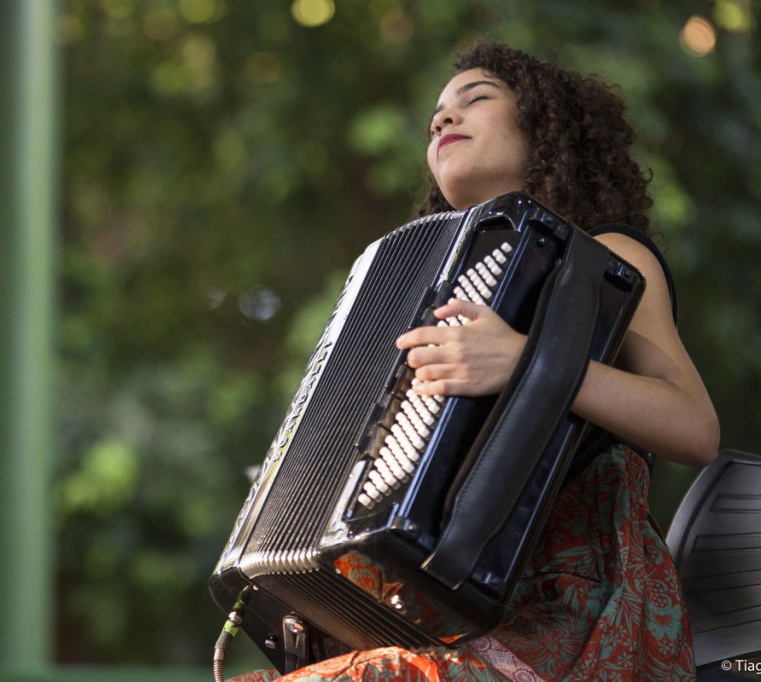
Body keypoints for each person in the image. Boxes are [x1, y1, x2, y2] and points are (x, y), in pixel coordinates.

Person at [230, 41, 720, 681]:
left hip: (578, 614)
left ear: (545, 131)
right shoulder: (422, 290)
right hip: (450, 616)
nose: (441, 118)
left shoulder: (608, 259)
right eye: (436, 112)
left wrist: (523, 362)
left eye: (476, 98)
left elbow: (695, 428)